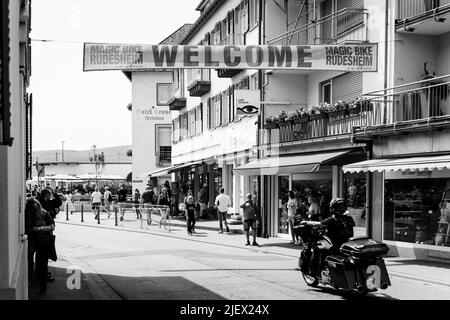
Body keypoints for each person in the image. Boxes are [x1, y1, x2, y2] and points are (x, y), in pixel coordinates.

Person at [300, 198, 355, 277]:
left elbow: (317, 223)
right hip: (346, 247)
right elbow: (351, 234)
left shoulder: (332, 220)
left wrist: (306, 222)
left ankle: (313, 272)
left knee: (317, 249)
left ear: (333, 208)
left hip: (335, 247)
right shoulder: (349, 219)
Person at [25, 198, 55, 294]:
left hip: (38, 241)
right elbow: (51, 227)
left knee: (37, 264)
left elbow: (52, 226)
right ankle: (41, 287)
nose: (33, 210)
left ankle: (39, 286)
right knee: (38, 264)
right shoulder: (31, 215)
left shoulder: (44, 214)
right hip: (39, 241)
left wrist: (39, 228)